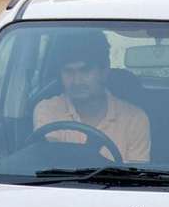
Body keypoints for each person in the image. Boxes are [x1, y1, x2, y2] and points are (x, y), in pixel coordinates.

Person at [34, 30, 150, 163]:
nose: (76, 81)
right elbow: (49, 165)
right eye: (68, 72)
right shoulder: (47, 110)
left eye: (85, 71)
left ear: (104, 71)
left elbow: (134, 178)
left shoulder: (134, 119)